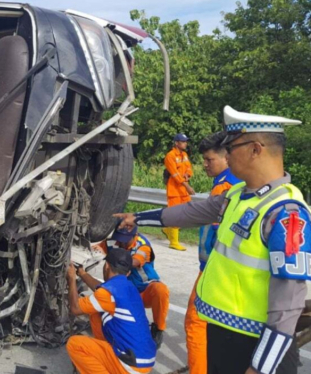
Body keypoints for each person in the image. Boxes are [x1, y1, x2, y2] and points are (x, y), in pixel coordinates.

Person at [115, 106, 310, 374]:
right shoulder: (240, 194)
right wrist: (137, 218)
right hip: (223, 334)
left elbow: (288, 303)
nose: (226, 155)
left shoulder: (286, 213)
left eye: (231, 147)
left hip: (255, 347)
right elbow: (192, 212)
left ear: (256, 149)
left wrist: (260, 367)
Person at [185, 131, 240, 374]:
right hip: (222, 270)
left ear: (226, 158)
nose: (205, 165)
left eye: (210, 160)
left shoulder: (225, 188)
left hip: (213, 271)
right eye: (204, 160)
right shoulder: (232, 182)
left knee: (195, 323)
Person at [66, 248, 157, 374]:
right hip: (144, 358)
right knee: (95, 313)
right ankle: (105, 359)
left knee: (75, 344)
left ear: (106, 266)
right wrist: (81, 273)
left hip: (132, 364)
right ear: (128, 273)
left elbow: (75, 308)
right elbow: (100, 288)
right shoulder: (129, 287)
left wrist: (71, 279)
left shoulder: (107, 293)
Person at [111, 226, 169, 349]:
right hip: (125, 291)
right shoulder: (115, 241)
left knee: (161, 290)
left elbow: (135, 262)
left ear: (135, 234)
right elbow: (100, 248)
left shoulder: (143, 246)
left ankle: (158, 329)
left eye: (125, 239)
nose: (122, 242)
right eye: (120, 238)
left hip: (143, 291)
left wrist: (114, 258)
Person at [162, 133, 195, 251]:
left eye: (186, 141)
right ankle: (174, 242)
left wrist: (188, 174)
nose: (185, 143)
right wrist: (188, 187)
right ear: (176, 143)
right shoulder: (170, 156)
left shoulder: (184, 155)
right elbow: (175, 175)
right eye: (183, 141)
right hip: (175, 190)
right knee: (176, 215)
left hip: (183, 191)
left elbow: (188, 168)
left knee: (186, 213)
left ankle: (167, 230)